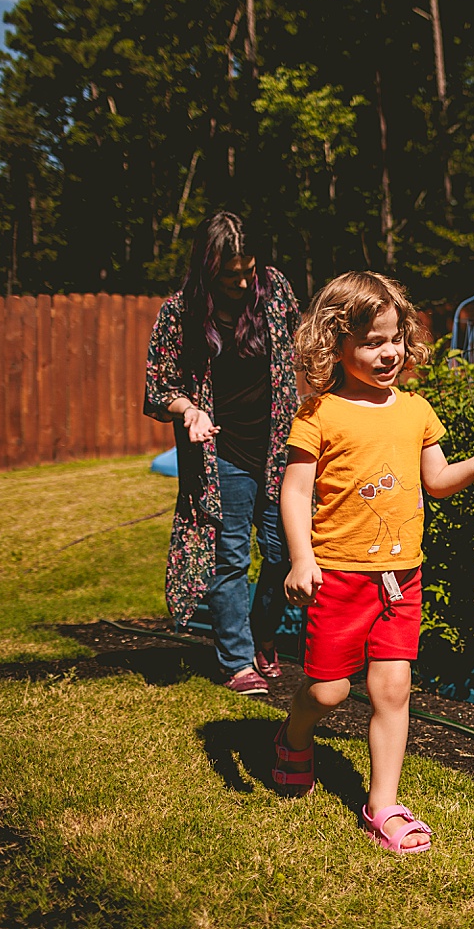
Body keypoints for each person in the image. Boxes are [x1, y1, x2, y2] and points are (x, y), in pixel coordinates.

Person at [274, 270, 474, 854]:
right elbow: (295, 491)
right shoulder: (320, 414)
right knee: (328, 691)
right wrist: (300, 558)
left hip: (401, 577)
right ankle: (293, 737)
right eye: (371, 341)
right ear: (336, 346)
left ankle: (382, 803)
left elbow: (436, 482)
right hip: (337, 576)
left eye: (395, 339)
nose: (389, 353)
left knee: (393, 690)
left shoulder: (415, 410)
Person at [144, 211, 300, 695]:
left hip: (279, 447)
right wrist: (187, 408)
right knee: (229, 558)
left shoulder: (274, 289)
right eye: (230, 273)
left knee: (282, 552)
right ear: (208, 268)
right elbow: (157, 387)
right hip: (221, 455)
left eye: (247, 270)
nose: (241, 280)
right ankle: (237, 661)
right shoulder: (180, 312)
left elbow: (302, 348)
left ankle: (263, 634)